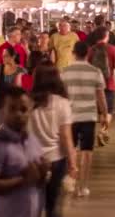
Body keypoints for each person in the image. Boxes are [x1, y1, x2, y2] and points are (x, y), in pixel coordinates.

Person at [0, 87, 47, 217]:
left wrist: (42, 173)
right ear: (3, 111)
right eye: (12, 109)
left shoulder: (32, 141)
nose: (19, 114)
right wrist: (22, 180)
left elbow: (36, 182)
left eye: (23, 109)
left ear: (30, 110)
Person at [27, 63, 77, 217]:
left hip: (32, 159)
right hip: (56, 159)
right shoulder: (62, 103)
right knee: (53, 204)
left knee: (32, 204)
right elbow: (66, 137)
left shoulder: (27, 102)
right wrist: (73, 163)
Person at [61, 41, 108, 197]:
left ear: (73, 53)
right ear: (88, 54)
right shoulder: (95, 72)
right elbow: (100, 95)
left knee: (71, 149)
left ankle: (72, 180)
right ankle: (83, 186)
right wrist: (105, 114)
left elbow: (62, 96)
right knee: (87, 151)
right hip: (89, 116)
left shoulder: (65, 72)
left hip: (71, 116)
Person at [88, 26, 115, 146]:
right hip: (109, 84)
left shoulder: (91, 49)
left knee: (100, 111)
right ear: (106, 36)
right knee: (109, 110)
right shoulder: (112, 48)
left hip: (94, 84)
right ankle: (103, 131)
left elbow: (88, 66)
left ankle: (102, 130)